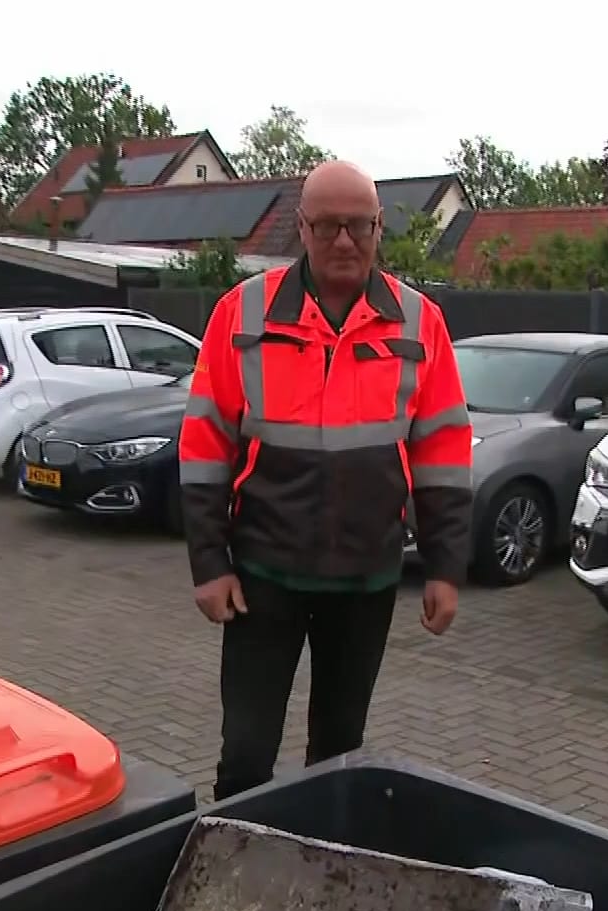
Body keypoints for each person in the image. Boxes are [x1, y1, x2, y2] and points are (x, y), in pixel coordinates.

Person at [178, 159, 474, 802]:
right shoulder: (242, 314)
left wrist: (447, 569)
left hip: (365, 579)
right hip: (262, 577)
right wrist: (209, 563)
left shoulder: (421, 324)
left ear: (379, 228)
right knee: (246, 757)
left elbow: (444, 454)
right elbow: (204, 448)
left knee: (338, 757)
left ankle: (320, 875)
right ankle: (235, 872)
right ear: (302, 228)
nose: (345, 241)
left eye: (359, 226)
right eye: (328, 226)